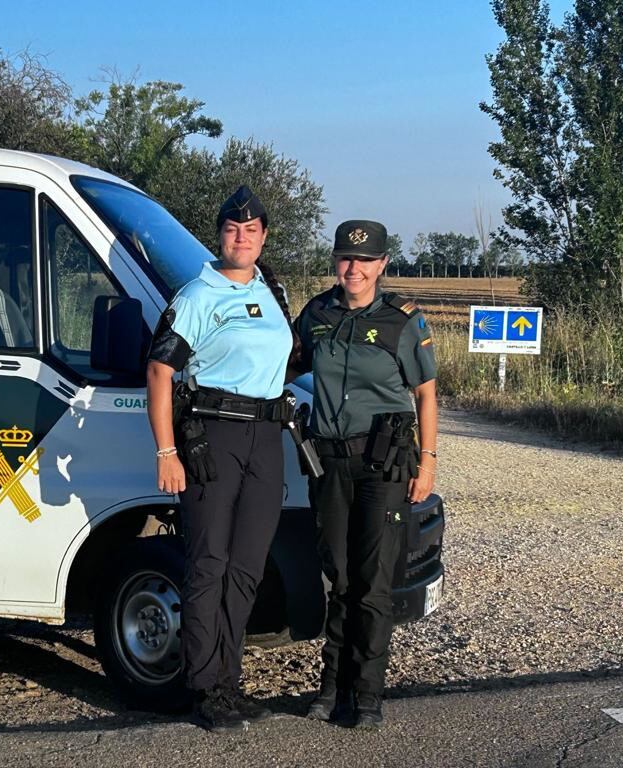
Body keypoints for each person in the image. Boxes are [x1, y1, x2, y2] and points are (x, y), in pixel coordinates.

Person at [146, 186, 296, 731]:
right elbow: (160, 372)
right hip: (214, 437)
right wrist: (167, 450)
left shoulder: (270, 288)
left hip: (264, 437)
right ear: (220, 235)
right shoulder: (196, 296)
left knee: (248, 567)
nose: (242, 238)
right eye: (233, 230)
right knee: (209, 563)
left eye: (252, 231)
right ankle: (205, 688)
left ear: (263, 237)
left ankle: (229, 681)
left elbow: (287, 362)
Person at [290, 219, 438, 729]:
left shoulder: (403, 321)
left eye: (365, 260)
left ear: (381, 265)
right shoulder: (316, 314)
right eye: (345, 259)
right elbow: (285, 365)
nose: (353, 268)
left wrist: (430, 461)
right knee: (340, 574)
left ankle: (367, 694)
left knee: (374, 581)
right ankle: (332, 686)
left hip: (385, 465)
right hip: (329, 461)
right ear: (336, 261)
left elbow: (425, 395)